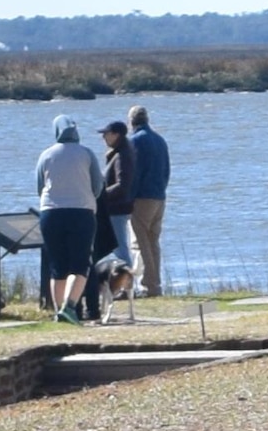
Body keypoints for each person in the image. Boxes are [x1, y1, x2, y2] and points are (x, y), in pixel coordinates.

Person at [30, 117, 106, 321]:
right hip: (81, 212)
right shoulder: (87, 153)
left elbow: (39, 187)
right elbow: (98, 187)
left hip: (51, 213)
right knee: (80, 264)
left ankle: (58, 311)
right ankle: (70, 306)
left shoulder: (45, 155)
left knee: (57, 266)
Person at [121, 101, 172, 296]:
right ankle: (155, 283)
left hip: (142, 198)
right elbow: (167, 170)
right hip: (159, 196)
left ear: (130, 122)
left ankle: (148, 285)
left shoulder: (134, 141)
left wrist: (128, 198)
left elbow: (134, 173)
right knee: (153, 242)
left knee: (140, 242)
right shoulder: (160, 140)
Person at [95, 119, 135, 298]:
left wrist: (101, 195)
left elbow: (122, 185)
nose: (103, 137)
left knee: (120, 249)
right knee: (119, 248)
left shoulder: (122, 156)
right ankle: (125, 287)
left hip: (118, 209)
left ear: (116, 135)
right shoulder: (118, 153)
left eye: (106, 133)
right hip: (116, 208)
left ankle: (127, 288)